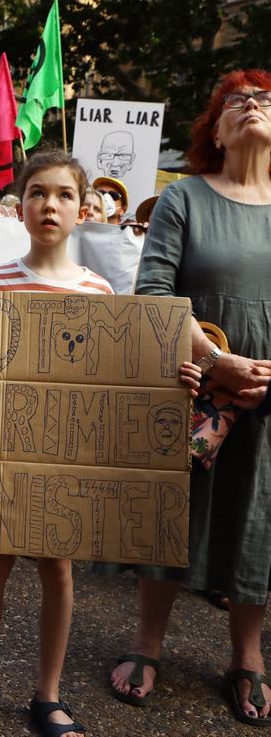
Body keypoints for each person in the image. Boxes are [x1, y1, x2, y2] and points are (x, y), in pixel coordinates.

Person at [0, 149, 201, 737]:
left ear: (83, 209)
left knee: (58, 567)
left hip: (67, 455)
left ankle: (48, 692)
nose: (50, 205)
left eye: (64, 195)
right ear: (21, 207)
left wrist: (177, 380)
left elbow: (119, 380)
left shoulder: (99, 291)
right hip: (4, 450)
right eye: (38, 192)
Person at [107, 71, 271, 727]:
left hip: (270, 398)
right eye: (238, 100)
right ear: (215, 128)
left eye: (265, 99)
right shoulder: (185, 200)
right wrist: (219, 362)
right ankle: (147, 645)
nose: (253, 105)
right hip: (195, 388)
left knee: (259, 518)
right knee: (174, 514)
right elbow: (153, 295)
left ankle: (249, 656)